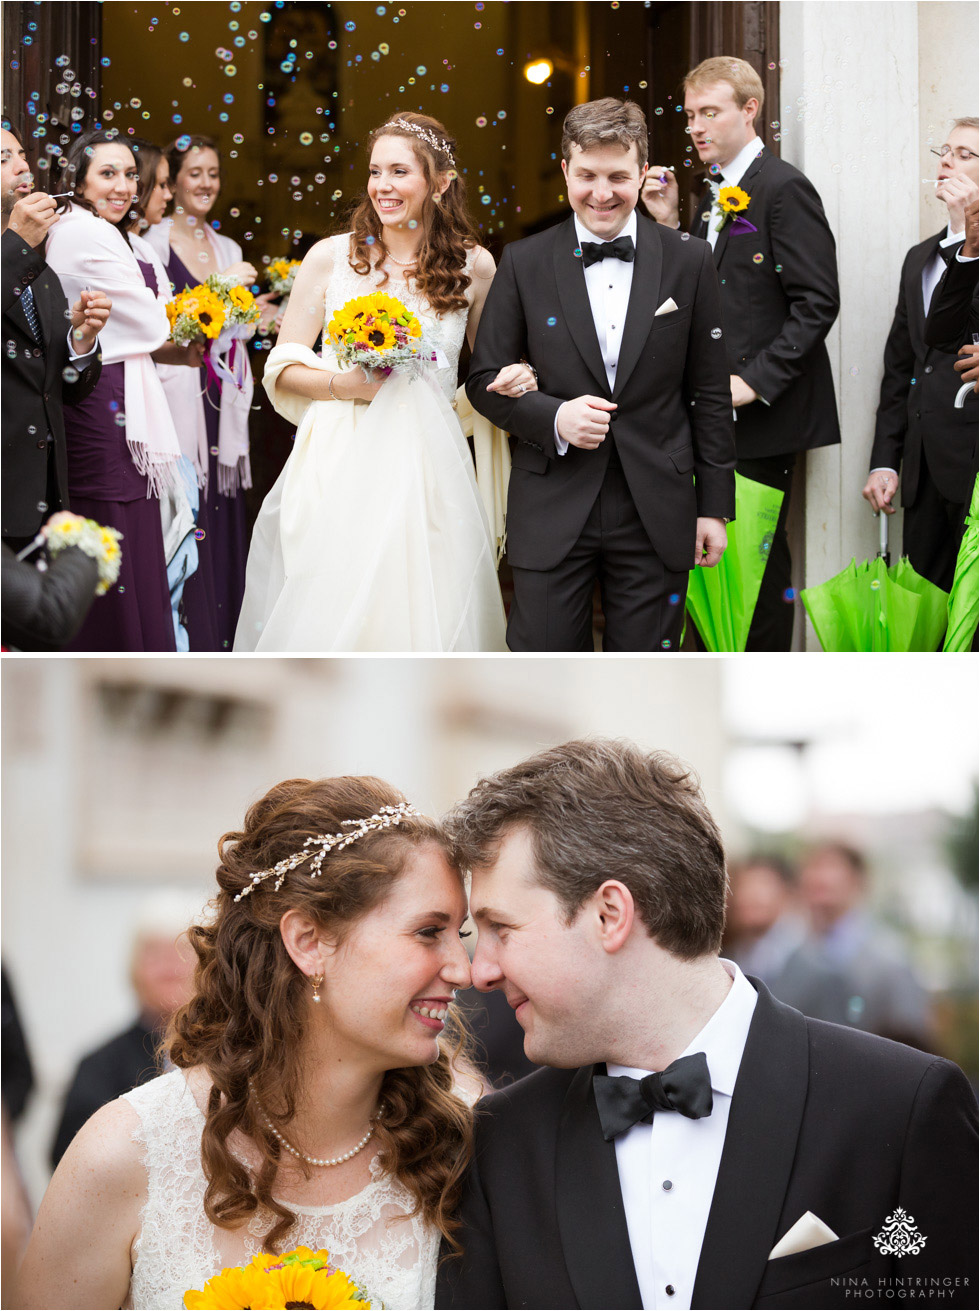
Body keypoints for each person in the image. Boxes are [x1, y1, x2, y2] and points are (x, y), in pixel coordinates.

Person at [436, 739, 978, 1310]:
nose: (480, 972)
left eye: (501, 928)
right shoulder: (498, 1143)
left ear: (609, 915)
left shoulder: (901, 1107)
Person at [17, 777, 476, 1310]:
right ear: (309, 942)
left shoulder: (458, 1153)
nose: (463, 970)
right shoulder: (125, 1156)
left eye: (459, 935)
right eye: (428, 932)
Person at [235, 112, 524, 652]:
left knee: (427, 617)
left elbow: (483, 376)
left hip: (429, 466)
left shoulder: (475, 266)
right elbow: (283, 367)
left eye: (399, 172)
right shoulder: (330, 258)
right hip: (337, 458)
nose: (382, 187)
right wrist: (349, 386)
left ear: (439, 182)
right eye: (375, 172)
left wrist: (508, 382)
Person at [466, 98, 734, 653]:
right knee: (540, 671)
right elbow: (483, 381)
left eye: (618, 176)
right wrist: (556, 417)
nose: (602, 192)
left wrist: (714, 506)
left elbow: (708, 392)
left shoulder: (690, 260)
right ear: (565, 170)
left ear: (643, 173)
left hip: (656, 507)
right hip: (551, 503)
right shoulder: (523, 261)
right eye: (587, 175)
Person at [643, 59, 840, 652]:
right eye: (691, 115)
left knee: (755, 573)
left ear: (750, 109)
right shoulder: (713, 194)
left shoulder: (783, 188)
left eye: (711, 112)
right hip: (710, 418)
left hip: (762, 419)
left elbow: (818, 302)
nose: (696, 127)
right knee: (714, 570)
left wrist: (753, 383)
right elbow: (709, 294)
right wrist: (670, 223)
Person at [44, 130, 200, 651]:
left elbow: (151, 311)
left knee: (133, 527)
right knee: (111, 522)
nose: (123, 186)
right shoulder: (80, 232)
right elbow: (152, 322)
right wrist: (158, 309)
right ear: (78, 180)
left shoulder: (105, 232)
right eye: (107, 174)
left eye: (130, 174)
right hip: (98, 397)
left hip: (119, 394)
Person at [144, 135, 274, 651]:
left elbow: (229, 329)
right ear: (172, 180)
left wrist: (259, 316)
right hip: (176, 387)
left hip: (221, 391)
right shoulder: (150, 242)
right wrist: (222, 288)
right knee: (182, 508)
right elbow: (164, 324)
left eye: (213, 173)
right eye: (194, 172)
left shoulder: (229, 248)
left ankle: (223, 637)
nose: (205, 184)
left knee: (220, 509)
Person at [863, 117, 980, 592]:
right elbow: (903, 368)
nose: (948, 161)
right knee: (925, 617)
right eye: (944, 152)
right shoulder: (920, 258)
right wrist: (885, 459)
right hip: (924, 469)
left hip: (974, 462)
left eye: (965, 154)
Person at [1, 124, 107, 550]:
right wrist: (17, 246)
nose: (23, 165)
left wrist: (82, 342)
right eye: (3, 159)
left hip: (40, 500)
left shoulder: (39, 269)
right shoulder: (23, 254)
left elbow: (62, 389)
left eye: (21, 154)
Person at [50, 895, 198, 1169]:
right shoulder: (97, 1066)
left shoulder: (237, 1056)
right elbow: (68, 1161)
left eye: (181, 952)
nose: (170, 966)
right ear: (134, 969)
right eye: (155, 954)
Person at [796, 842, 935, 1051]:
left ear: (858, 881)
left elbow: (911, 1034)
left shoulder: (891, 958)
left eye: (830, 866)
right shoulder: (794, 955)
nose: (819, 877)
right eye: (813, 868)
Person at [725, 855, 852, 1025]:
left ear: (786, 894)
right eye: (743, 886)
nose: (748, 896)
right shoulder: (726, 960)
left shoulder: (821, 970)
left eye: (761, 885)